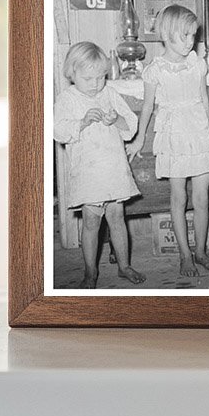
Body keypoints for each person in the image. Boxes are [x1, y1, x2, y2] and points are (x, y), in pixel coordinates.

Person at [129, 4, 209, 277]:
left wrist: (207, 132)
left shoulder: (197, 63)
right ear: (167, 34)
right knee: (178, 197)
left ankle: (201, 251)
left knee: (202, 197)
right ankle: (185, 254)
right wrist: (138, 139)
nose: (190, 42)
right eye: (185, 36)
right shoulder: (155, 70)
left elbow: (204, 99)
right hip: (173, 137)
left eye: (193, 36)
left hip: (198, 134)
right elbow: (147, 107)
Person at [53, 41, 146, 289]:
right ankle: (90, 272)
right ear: (72, 73)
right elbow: (58, 131)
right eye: (88, 78)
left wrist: (117, 120)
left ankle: (124, 266)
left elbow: (131, 123)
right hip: (89, 172)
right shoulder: (67, 99)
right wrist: (81, 122)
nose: (95, 84)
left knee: (117, 218)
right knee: (91, 223)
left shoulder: (109, 93)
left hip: (113, 168)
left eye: (100, 77)